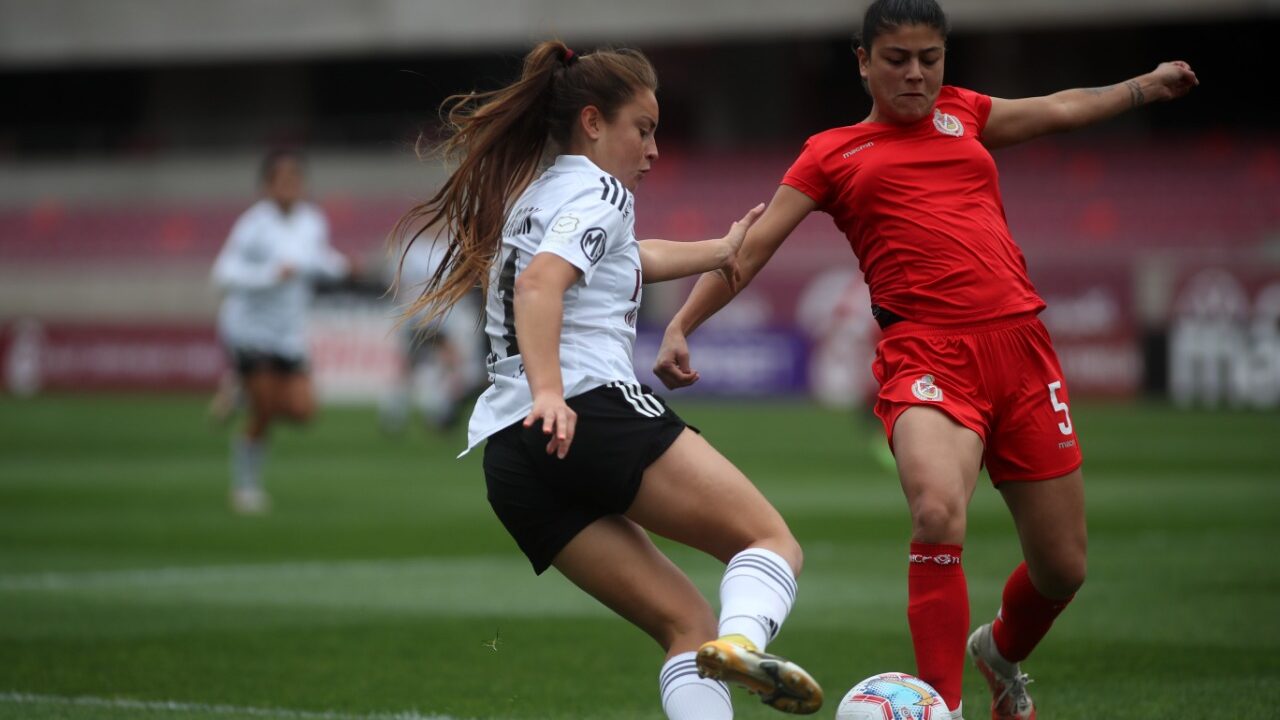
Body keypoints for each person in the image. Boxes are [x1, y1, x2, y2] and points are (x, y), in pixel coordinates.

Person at [653, 3, 1198, 719]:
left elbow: (1060, 107)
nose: (915, 74)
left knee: (1062, 567)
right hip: (927, 350)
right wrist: (683, 325)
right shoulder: (831, 153)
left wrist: (1143, 87)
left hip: (1022, 349)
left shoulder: (964, 114)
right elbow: (749, 251)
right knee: (937, 511)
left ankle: (1000, 653)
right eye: (897, 59)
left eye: (930, 59)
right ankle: (943, 707)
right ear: (862, 61)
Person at [391, 41, 823, 718]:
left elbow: (621, 259)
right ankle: (743, 644)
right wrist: (550, 392)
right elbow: (541, 284)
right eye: (643, 130)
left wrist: (717, 250)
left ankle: (722, 648)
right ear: (593, 122)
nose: (653, 150)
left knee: (685, 626)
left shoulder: (541, 193)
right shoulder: (602, 191)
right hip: (581, 411)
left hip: (512, 458)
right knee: (768, 542)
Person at [211, 150, 351, 514]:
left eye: (295, 180)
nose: (290, 187)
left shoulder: (312, 220)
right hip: (251, 330)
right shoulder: (252, 225)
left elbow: (317, 258)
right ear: (267, 186)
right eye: (282, 180)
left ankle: (240, 388)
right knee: (266, 410)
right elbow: (222, 274)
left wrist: (343, 267)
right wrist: (269, 275)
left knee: (304, 412)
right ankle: (244, 488)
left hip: (289, 333)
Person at [379, 239, 483, 434]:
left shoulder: (439, 247)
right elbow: (396, 284)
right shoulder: (416, 248)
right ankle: (425, 413)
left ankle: (406, 413)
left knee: (437, 366)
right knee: (430, 366)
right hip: (422, 318)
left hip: (437, 319)